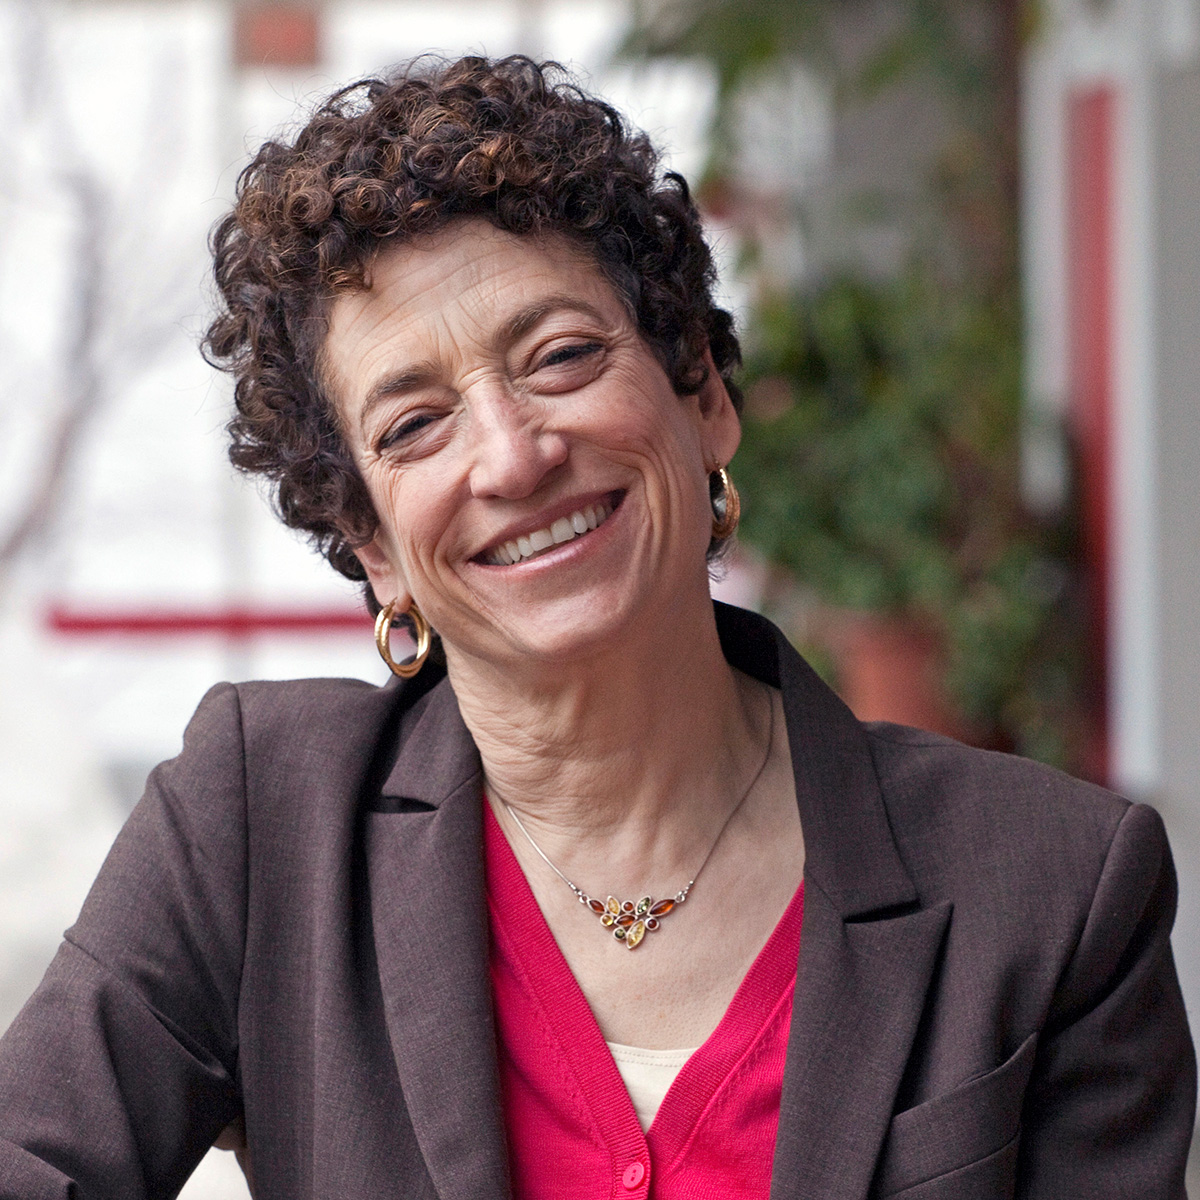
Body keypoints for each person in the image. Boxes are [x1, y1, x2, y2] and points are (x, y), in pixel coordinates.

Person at [0, 54, 1193, 1200]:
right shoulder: (257, 827)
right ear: (372, 546)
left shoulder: (1048, 888)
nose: (514, 456)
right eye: (414, 426)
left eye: (562, 356)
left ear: (703, 397)